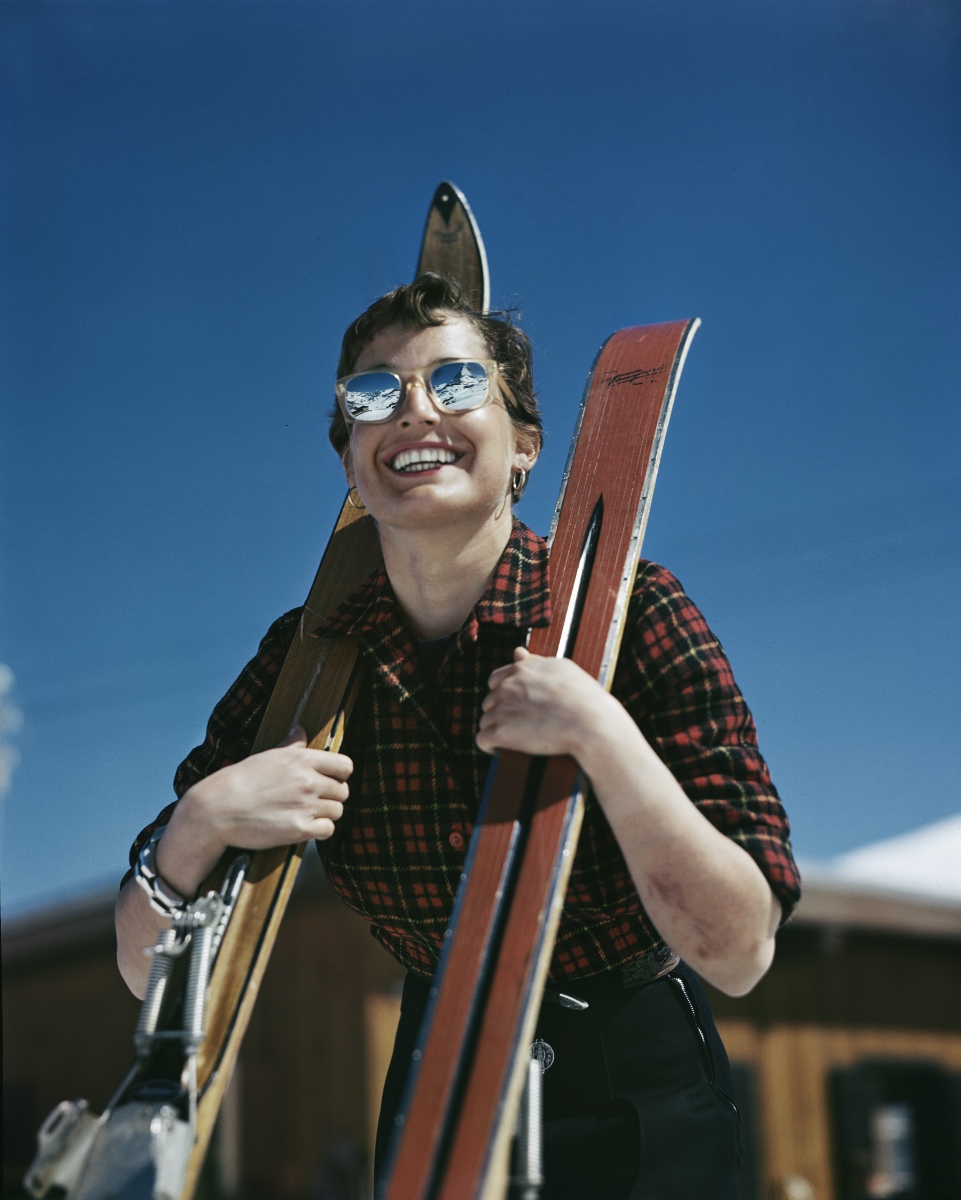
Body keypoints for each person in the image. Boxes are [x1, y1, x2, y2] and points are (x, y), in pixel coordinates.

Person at [116, 274, 800, 1199]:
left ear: (523, 447)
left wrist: (601, 735)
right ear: (350, 462)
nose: (412, 412)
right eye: (373, 395)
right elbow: (137, 968)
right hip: (440, 1072)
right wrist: (198, 821)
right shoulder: (308, 658)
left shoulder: (632, 612)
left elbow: (739, 950)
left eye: (455, 384)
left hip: (638, 1081)